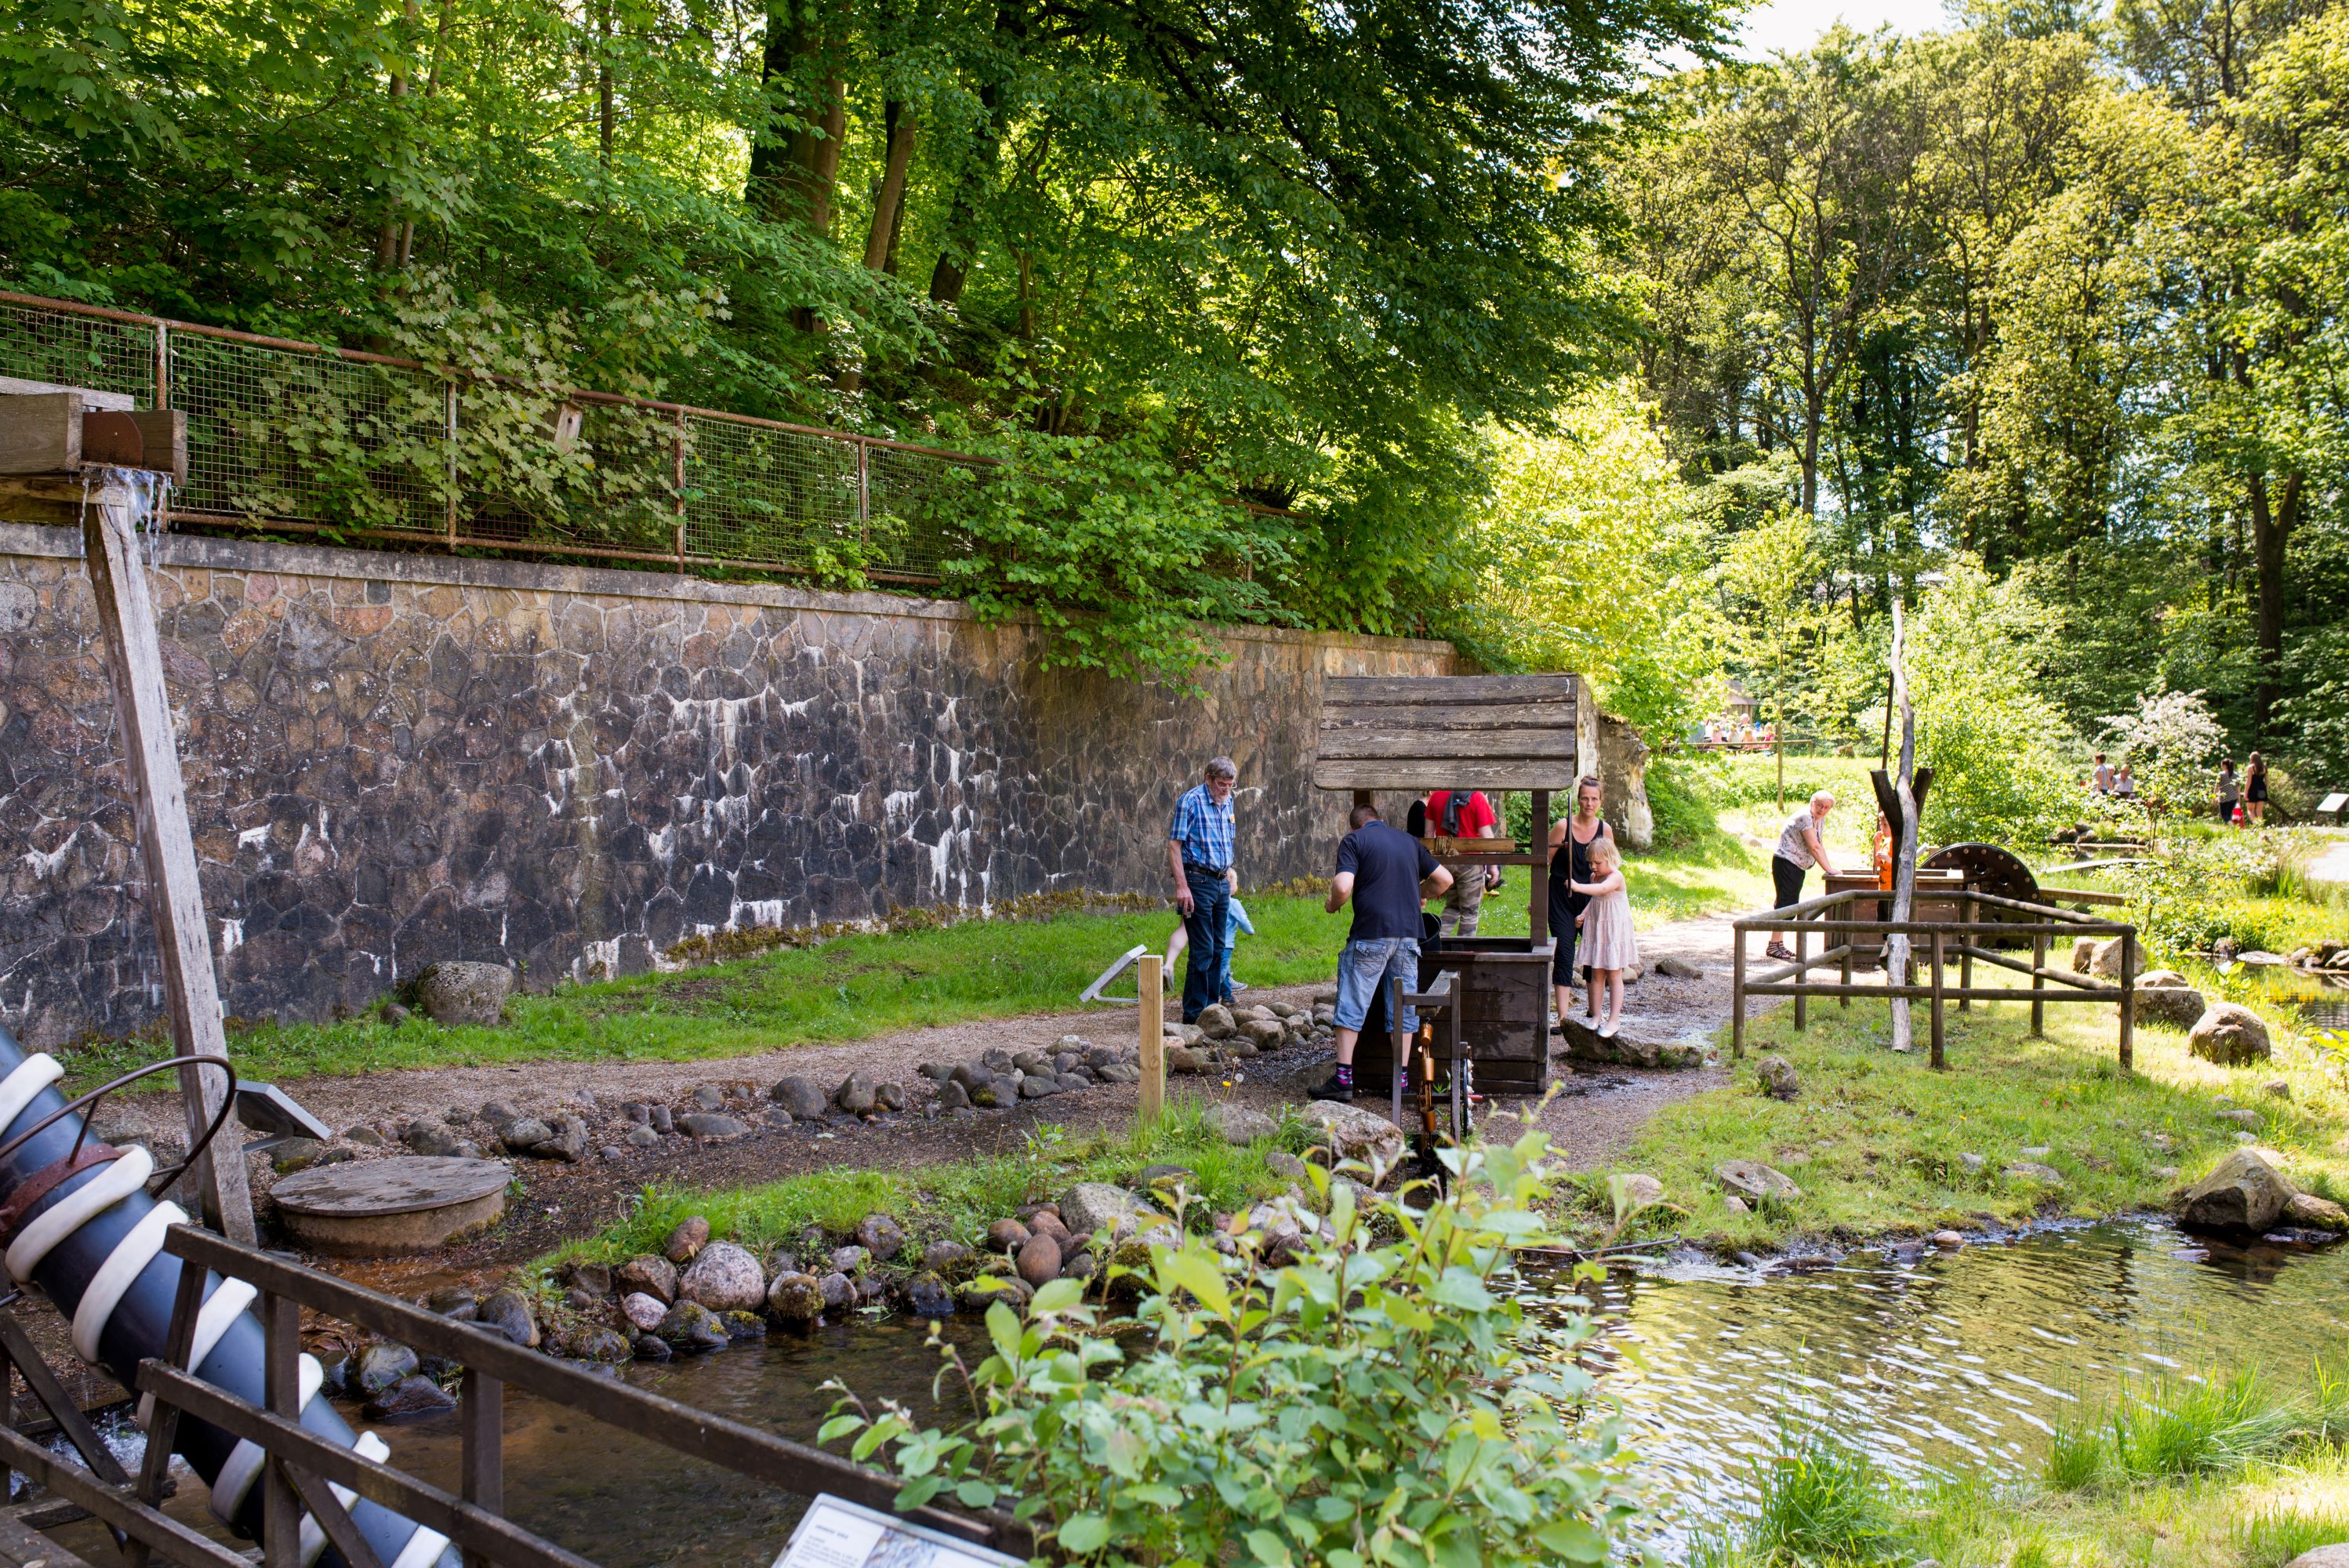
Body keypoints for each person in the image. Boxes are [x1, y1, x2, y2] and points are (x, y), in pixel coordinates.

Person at [1311, 803, 1451, 1102]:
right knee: (1402, 1007)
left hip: (1371, 933)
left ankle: (1343, 1080)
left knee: (1352, 1003)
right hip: (1409, 937)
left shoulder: (1354, 841)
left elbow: (1343, 886)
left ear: (1355, 826)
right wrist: (1419, 894)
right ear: (1382, 821)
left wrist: (1332, 905)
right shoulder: (1409, 841)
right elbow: (1444, 880)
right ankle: (1401, 1082)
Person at [1166, 756, 1238, 1023]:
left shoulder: (1228, 801)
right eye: (1221, 784)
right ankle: (1194, 1014)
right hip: (1196, 882)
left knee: (1219, 948)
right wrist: (1181, 886)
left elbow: (1225, 841)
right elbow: (1174, 845)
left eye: (1230, 785)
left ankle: (1211, 1011)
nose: (1226, 789)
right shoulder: (1190, 801)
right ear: (1208, 778)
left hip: (1220, 882)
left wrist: (1229, 872)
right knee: (1203, 949)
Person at [1547, 776, 1610, 1031]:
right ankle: (1563, 1018)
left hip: (1592, 900)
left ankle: (1594, 1013)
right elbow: (1543, 862)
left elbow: (1611, 869)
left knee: (1595, 954)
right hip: (1560, 897)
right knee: (1564, 952)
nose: (1589, 803)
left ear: (1600, 801)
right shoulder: (1562, 826)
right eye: (1585, 798)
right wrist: (1536, 899)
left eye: (1594, 799)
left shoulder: (1605, 830)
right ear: (1578, 799)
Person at [1570, 837, 1638, 1037]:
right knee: (1596, 974)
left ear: (1610, 858)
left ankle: (1614, 1020)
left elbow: (1602, 890)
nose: (1593, 867)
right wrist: (1584, 914)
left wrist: (1577, 886)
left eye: (1598, 863)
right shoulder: (1595, 877)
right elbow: (1596, 898)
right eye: (1590, 863)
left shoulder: (1616, 877)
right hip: (1598, 929)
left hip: (1613, 931)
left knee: (1614, 974)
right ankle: (1596, 1016)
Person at [1767, 792, 1838, 962]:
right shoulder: (1805, 818)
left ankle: (1779, 943)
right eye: (1819, 805)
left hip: (1796, 865)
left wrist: (1830, 867)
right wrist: (1829, 869)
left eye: (1826, 807)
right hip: (1787, 862)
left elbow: (1820, 845)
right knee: (1786, 904)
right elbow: (1814, 847)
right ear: (1812, 802)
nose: (1822, 810)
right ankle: (1773, 944)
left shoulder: (1818, 820)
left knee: (1789, 903)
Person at [1425, 786, 1501, 937]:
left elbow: (1428, 834)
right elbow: (1487, 836)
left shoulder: (1436, 797)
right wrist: (1493, 866)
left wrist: (1432, 864)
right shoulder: (1477, 798)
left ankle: (1437, 942)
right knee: (1470, 912)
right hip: (1470, 864)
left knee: (1452, 907)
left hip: (1446, 864)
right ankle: (1465, 949)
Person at [2246, 751, 2269, 824]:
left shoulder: (2251, 768)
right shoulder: (2264, 768)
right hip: (2262, 789)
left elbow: (2249, 781)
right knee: (2259, 810)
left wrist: (2246, 792)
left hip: (2253, 789)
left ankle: (2255, 823)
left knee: (2250, 810)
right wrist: (2266, 791)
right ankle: (2261, 825)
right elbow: (2267, 782)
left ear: (2252, 759)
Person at [2216, 757, 2240, 824]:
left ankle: (2231, 826)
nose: (2221, 767)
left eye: (2222, 765)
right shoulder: (2236, 775)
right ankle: (2229, 827)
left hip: (2224, 798)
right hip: (2234, 797)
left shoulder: (2221, 774)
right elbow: (2238, 787)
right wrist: (2239, 798)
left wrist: (2214, 796)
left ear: (2225, 766)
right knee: (2229, 815)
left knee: (2224, 815)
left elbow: (2217, 786)